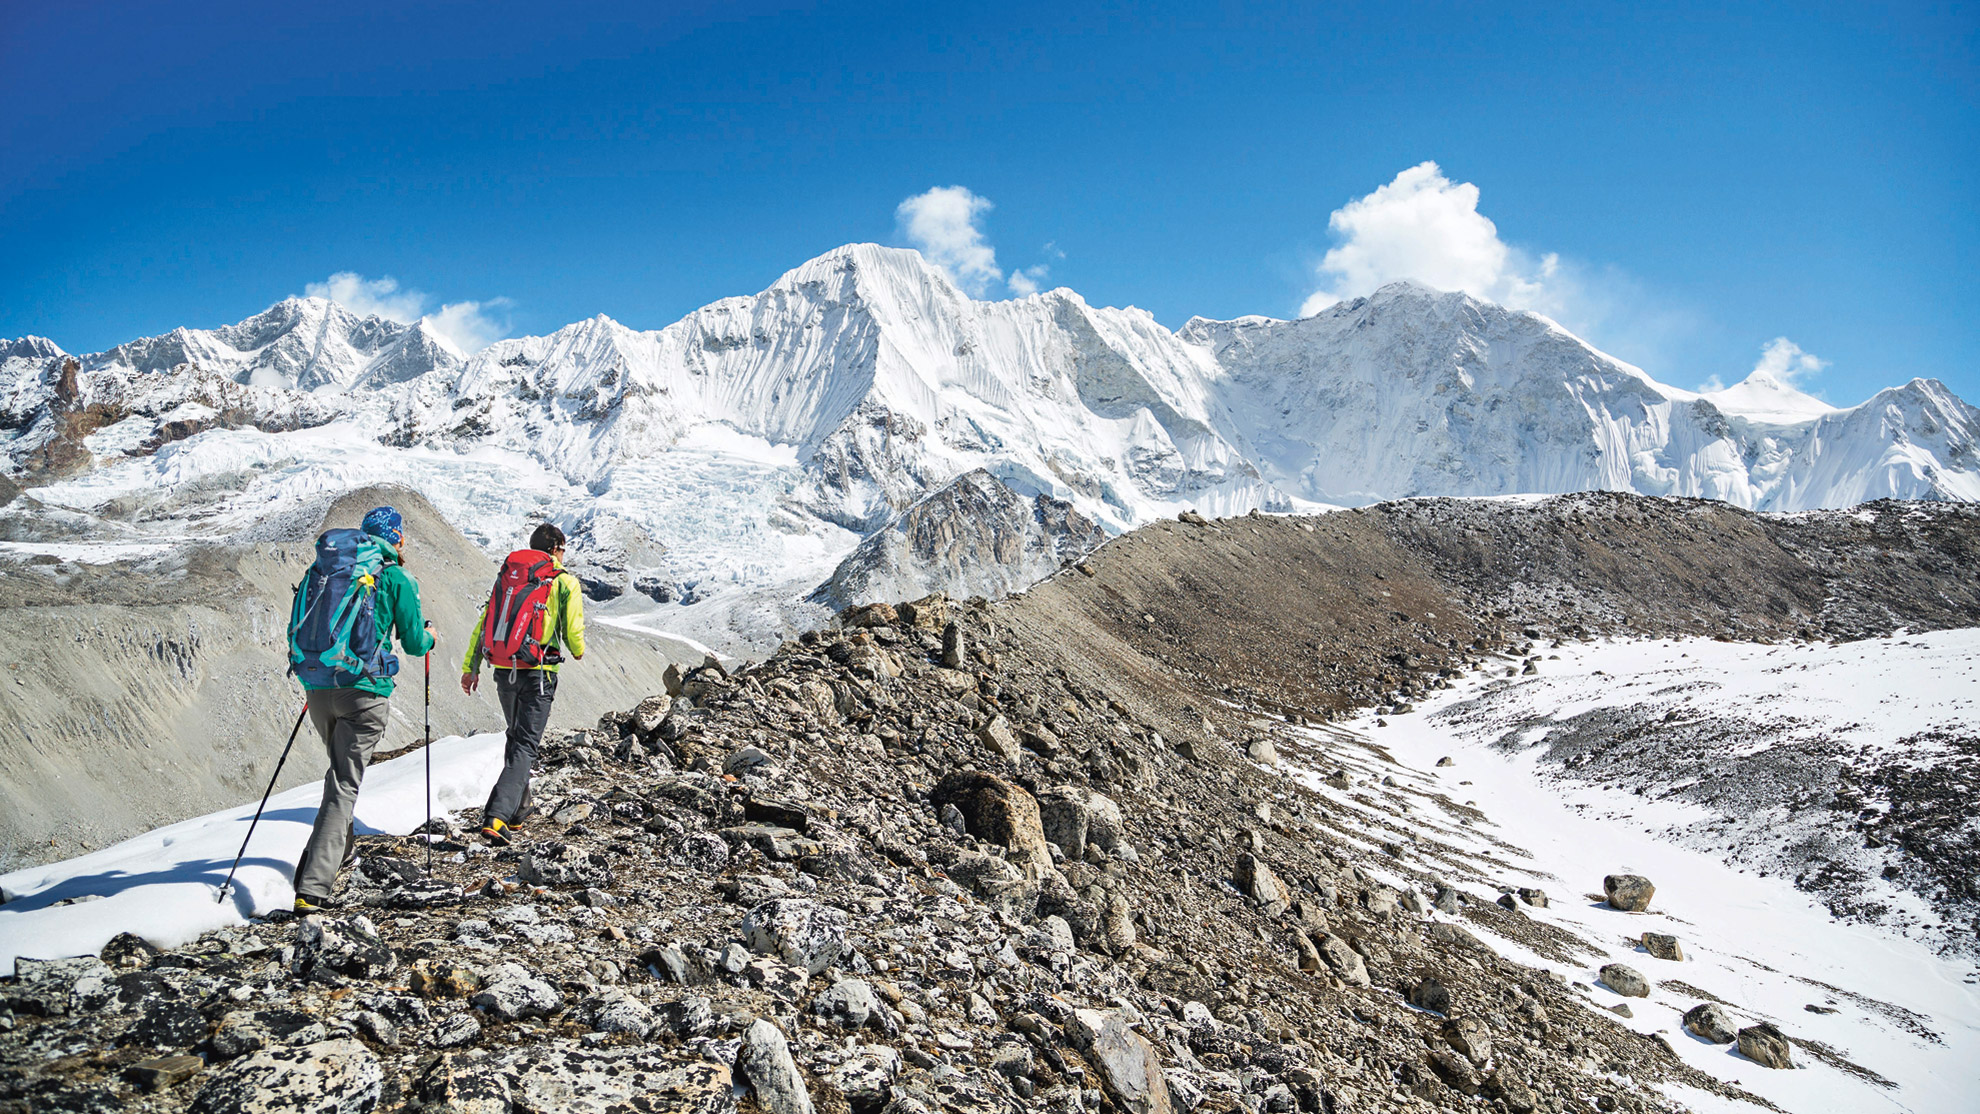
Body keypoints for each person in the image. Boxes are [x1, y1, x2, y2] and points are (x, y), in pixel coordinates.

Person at [293, 505, 435, 912]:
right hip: (365, 694)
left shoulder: (328, 570)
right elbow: (412, 643)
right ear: (398, 538)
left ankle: (334, 858)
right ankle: (313, 888)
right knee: (343, 784)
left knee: (339, 776)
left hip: (318, 688)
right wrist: (430, 637)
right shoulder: (394, 576)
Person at [461, 522, 585, 845]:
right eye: (563, 548)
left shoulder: (509, 577)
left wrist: (470, 667)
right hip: (538, 671)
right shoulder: (563, 581)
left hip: (503, 669)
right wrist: (578, 649)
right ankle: (497, 815)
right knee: (527, 744)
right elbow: (573, 633)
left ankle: (518, 809)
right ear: (557, 547)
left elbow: (485, 622)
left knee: (515, 736)